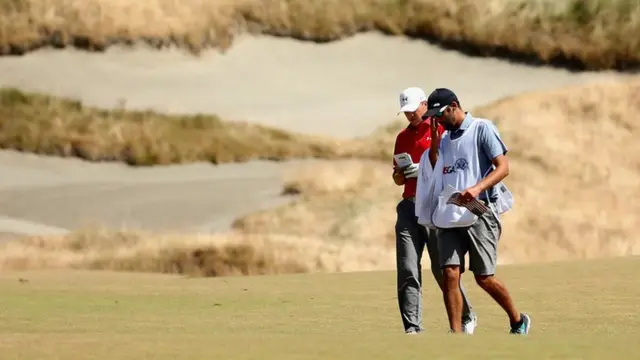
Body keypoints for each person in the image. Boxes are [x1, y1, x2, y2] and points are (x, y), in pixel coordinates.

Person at [418, 87, 531, 335]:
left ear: (454, 106)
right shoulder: (444, 138)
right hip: (450, 213)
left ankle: (517, 320)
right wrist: (436, 143)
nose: (436, 120)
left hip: (480, 211)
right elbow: (438, 169)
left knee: (483, 278)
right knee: (449, 273)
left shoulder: (482, 128)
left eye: (440, 114)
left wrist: (477, 188)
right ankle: (456, 335)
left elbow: (503, 167)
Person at [392, 87, 477, 335]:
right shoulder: (401, 137)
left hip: (434, 205)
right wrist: (400, 173)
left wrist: (426, 168)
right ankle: (412, 328)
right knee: (407, 268)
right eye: (405, 112)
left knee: (443, 268)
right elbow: (397, 179)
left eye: (413, 110)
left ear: (424, 104)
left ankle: (465, 316)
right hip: (408, 205)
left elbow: (450, 164)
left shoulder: (441, 129)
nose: (410, 116)